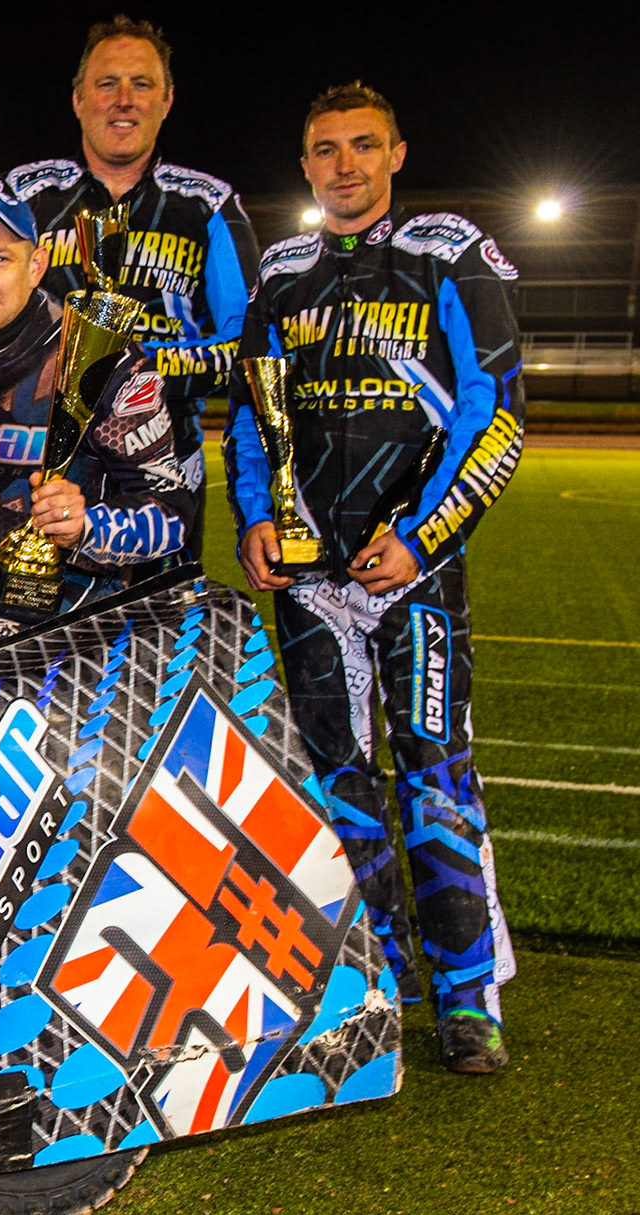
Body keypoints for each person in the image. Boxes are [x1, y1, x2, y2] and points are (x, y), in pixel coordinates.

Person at [225, 82, 523, 1074]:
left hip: (415, 569)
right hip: (312, 584)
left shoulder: (450, 253)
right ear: (304, 165)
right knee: (338, 782)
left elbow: (495, 413)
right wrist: (260, 518)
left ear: (397, 154)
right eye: (324, 149)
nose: (343, 165)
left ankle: (467, 996)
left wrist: (424, 535)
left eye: (362, 146)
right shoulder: (283, 273)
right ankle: (374, 982)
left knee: (434, 772)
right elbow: (249, 419)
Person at [0, 184, 195, 657]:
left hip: (79, 600)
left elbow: (173, 513)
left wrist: (87, 527)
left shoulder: (105, 357)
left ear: (36, 265)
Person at [4, 15, 259, 559]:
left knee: (160, 636)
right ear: (77, 99)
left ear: (166, 100)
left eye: (141, 84)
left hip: (167, 468)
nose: (124, 100)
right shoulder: (23, 198)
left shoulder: (208, 204)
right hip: (35, 470)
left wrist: (129, 380)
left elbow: (247, 345)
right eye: (107, 83)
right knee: (33, 639)